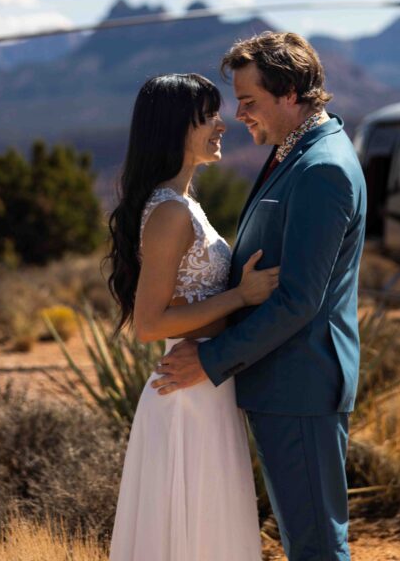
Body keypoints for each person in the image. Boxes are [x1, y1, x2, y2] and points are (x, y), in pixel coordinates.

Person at [151, 32, 367, 561]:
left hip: (302, 384)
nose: (240, 115)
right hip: (280, 382)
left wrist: (209, 358)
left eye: (249, 101)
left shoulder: (322, 170)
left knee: (316, 544)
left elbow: (298, 300)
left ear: (290, 91)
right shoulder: (294, 154)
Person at [107, 72, 279, 561]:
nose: (220, 125)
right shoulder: (169, 213)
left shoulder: (185, 205)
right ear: (172, 128)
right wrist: (241, 297)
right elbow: (149, 323)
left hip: (206, 386)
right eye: (206, 117)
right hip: (187, 395)